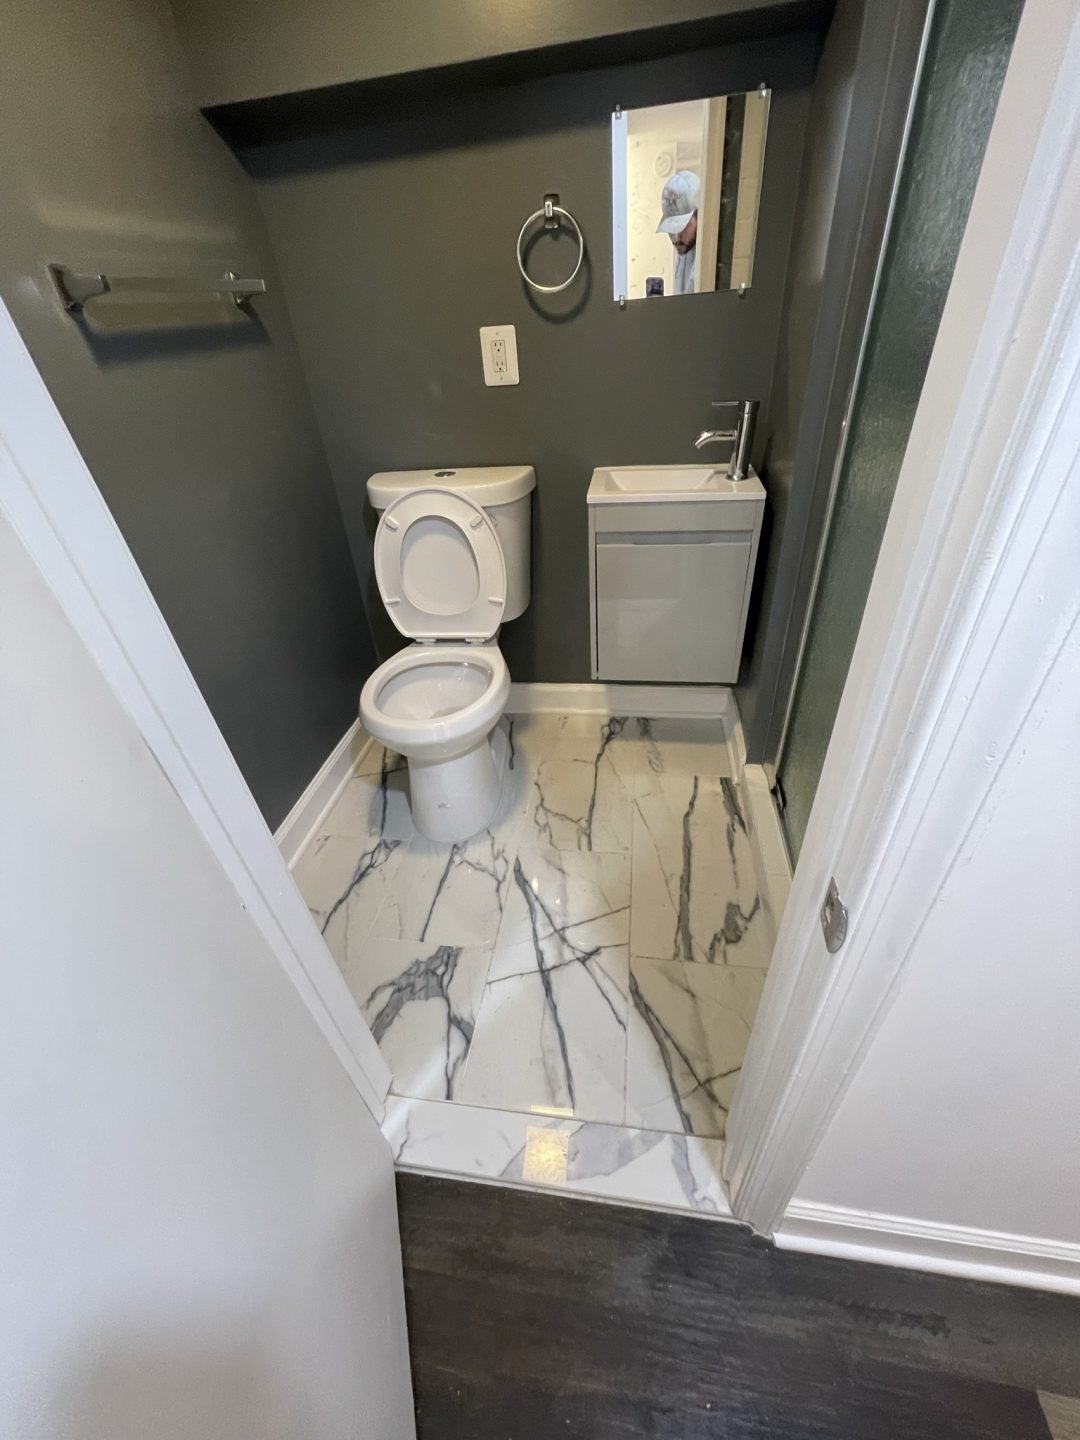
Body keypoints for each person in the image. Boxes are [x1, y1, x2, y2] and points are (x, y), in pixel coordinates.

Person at [656, 170, 701, 295]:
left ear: (699, 216)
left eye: (682, 226)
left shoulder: (708, 258)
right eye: (671, 229)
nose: (676, 237)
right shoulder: (686, 248)